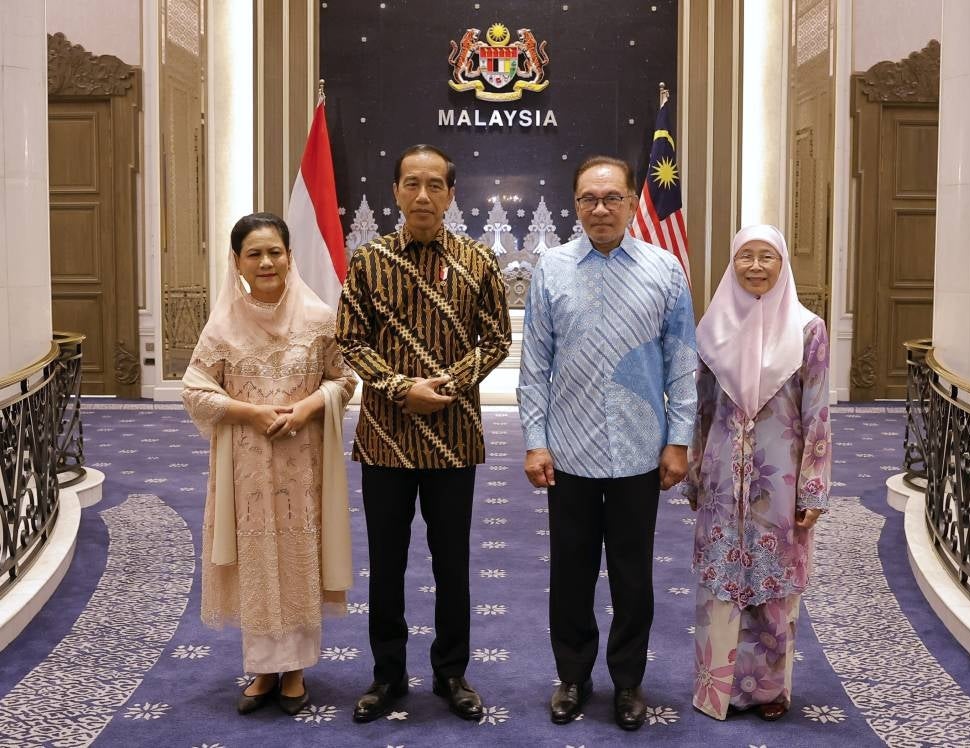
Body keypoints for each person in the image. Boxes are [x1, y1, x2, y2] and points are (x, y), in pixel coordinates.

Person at [518, 155, 698, 731]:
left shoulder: (665, 269)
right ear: (575, 205)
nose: (600, 209)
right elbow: (534, 365)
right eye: (589, 199)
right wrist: (534, 441)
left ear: (630, 202)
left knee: (632, 575)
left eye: (612, 198)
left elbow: (682, 362)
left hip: (640, 451)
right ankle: (572, 676)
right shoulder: (550, 268)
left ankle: (627, 682)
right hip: (568, 452)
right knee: (569, 573)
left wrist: (679, 440)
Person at [335, 144, 511, 723]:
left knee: (450, 561)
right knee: (385, 563)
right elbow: (351, 339)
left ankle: (451, 673)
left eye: (435, 185)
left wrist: (450, 384)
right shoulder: (368, 261)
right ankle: (387, 676)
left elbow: (495, 340)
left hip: (453, 437)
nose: (423, 196)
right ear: (395, 191)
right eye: (412, 184)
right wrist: (399, 388)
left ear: (451, 194)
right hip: (386, 438)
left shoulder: (479, 261)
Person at [181, 212, 357, 716]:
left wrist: (307, 407)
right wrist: (250, 413)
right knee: (259, 557)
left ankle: (297, 670)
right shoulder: (222, 327)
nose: (266, 262)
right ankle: (262, 669)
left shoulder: (320, 318)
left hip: (305, 467)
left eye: (274, 251)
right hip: (249, 468)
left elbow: (344, 379)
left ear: (289, 256)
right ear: (236, 262)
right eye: (254, 253)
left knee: (299, 553)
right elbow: (195, 391)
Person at [685, 224, 829, 721]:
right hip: (723, 481)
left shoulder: (809, 330)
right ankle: (716, 687)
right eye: (746, 256)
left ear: (783, 263)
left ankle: (769, 691)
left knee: (773, 582)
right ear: (733, 263)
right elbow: (699, 409)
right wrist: (694, 471)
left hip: (781, 483)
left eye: (767, 256)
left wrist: (813, 487)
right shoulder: (713, 328)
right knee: (719, 581)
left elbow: (817, 414)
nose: (756, 266)